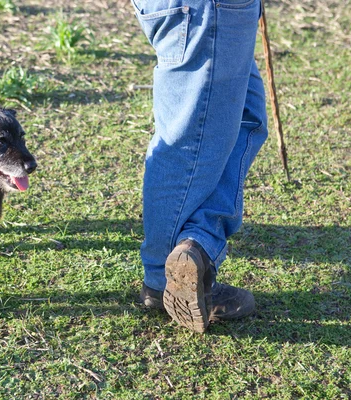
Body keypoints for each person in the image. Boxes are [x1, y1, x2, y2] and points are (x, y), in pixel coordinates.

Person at [132, 0, 268, 332]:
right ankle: (165, 277)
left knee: (244, 118)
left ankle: (196, 247)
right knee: (188, 137)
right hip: (209, 8)